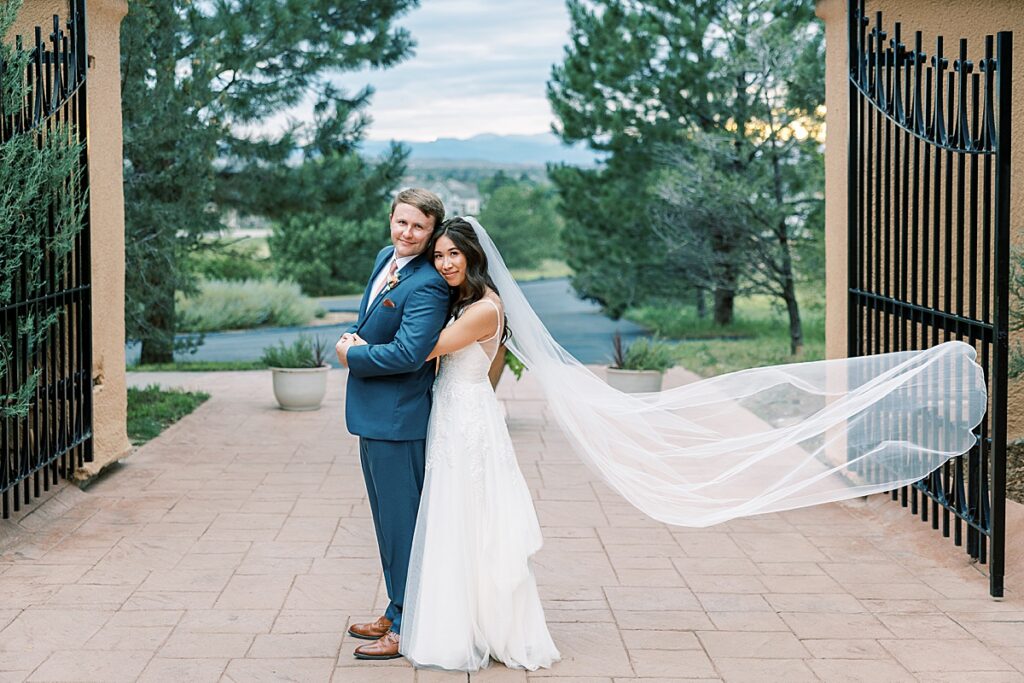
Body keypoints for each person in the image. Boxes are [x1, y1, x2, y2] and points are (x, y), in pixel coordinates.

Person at [349, 217, 561, 671]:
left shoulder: (484, 308)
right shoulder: (461, 299)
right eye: (439, 254)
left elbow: (420, 349)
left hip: (466, 423)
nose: (444, 264)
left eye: (453, 255)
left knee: (467, 520)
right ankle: (423, 614)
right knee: (446, 521)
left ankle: (446, 624)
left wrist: (354, 349)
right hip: (445, 415)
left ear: (473, 257)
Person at [335, 188, 449, 661]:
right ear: (391, 220)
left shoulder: (429, 285)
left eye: (419, 227)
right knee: (386, 523)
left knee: (403, 525)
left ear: (431, 231)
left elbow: (409, 353)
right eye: (401, 223)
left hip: (400, 421)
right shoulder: (387, 256)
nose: (407, 234)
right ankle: (396, 604)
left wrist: (352, 354)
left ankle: (407, 624)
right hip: (372, 416)